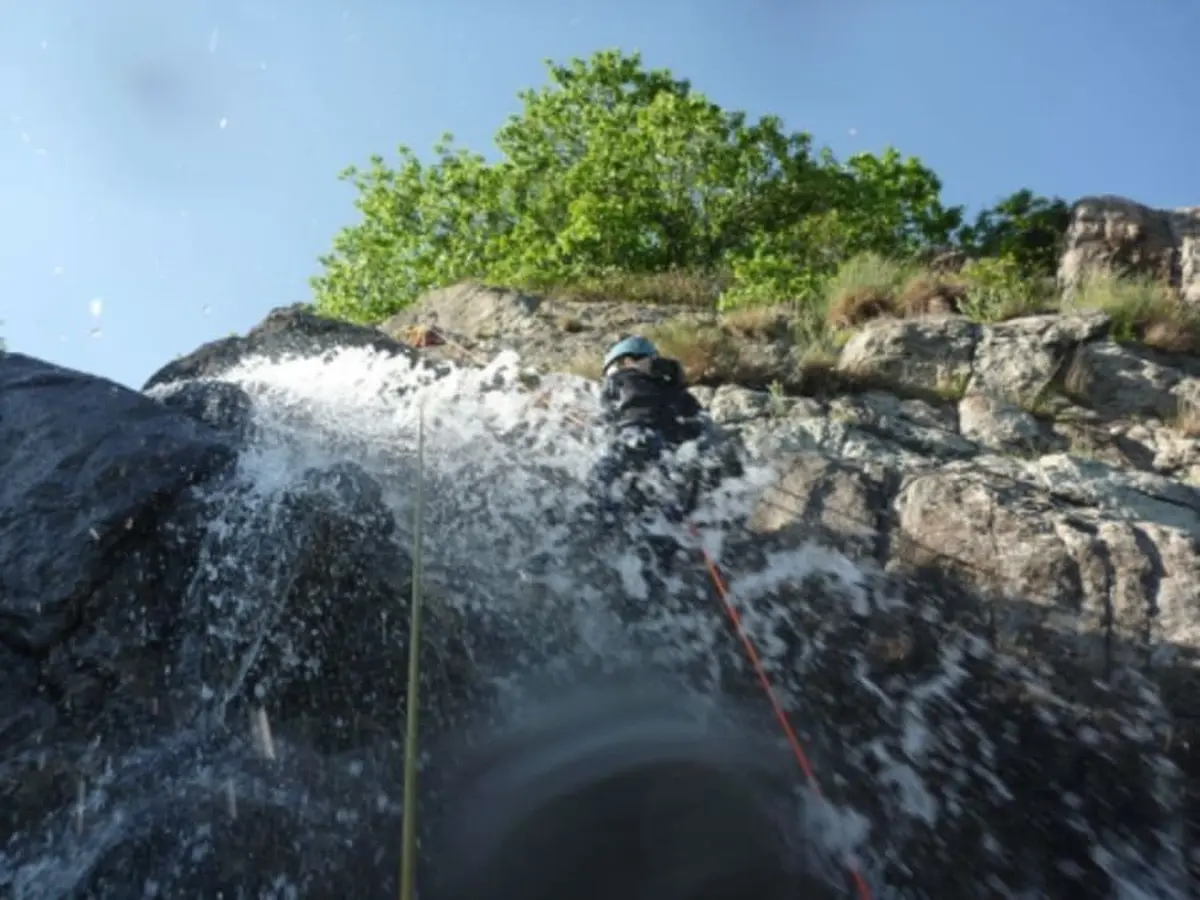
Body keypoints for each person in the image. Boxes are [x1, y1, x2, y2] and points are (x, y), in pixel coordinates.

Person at [587, 336, 733, 556]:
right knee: (660, 529)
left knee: (598, 487)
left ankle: (593, 541)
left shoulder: (620, 379)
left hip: (635, 441)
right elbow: (703, 433)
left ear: (626, 361)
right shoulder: (679, 394)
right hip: (671, 467)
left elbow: (605, 422)